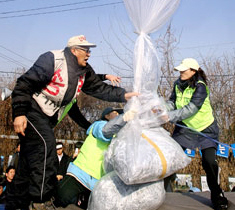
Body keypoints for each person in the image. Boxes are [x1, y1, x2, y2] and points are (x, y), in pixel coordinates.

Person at [8, 34, 138, 210]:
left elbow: (98, 88)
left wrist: (123, 95)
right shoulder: (52, 60)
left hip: (47, 119)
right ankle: (41, 201)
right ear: (74, 50)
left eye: (90, 50)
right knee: (47, 147)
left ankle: (15, 203)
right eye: (86, 50)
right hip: (31, 111)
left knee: (27, 162)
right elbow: (25, 83)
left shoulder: (84, 71)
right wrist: (19, 113)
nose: (89, 54)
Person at [164, 58, 228, 210]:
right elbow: (172, 102)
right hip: (185, 129)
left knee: (209, 161)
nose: (180, 73)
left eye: (183, 70)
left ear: (193, 71)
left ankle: (217, 195)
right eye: (180, 70)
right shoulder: (177, 84)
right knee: (170, 157)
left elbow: (191, 109)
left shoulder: (201, 87)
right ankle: (159, 192)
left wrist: (169, 116)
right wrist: (160, 108)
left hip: (205, 129)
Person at [54, 107, 134, 208]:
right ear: (107, 115)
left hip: (96, 185)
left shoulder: (118, 136)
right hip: (79, 175)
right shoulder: (99, 125)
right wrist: (124, 118)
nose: (118, 115)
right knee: (60, 200)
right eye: (115, 113)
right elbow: (105, 132)